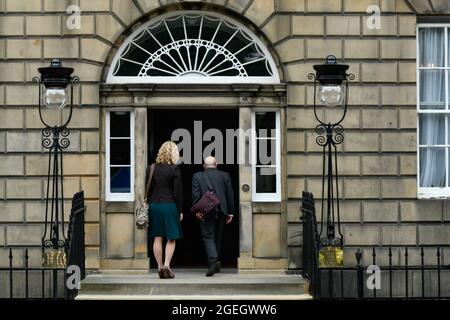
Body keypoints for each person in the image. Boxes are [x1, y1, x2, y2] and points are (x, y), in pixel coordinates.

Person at [146, 141, 183, 279]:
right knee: (171, 238)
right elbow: (178, 192)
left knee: (157, 237)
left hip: (155, 206)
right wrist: (180, 210)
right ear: (174, 153)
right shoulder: (175, 169)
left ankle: (159, 267)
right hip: (169, 206)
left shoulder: (151, 168)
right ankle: (167, 265)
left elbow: (147, 190)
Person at [192, 156, 234, 277]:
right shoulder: (225, 175)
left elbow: (195, 195)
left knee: (208, 236)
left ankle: (213, 262)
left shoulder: (197, 176)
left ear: (204, 166)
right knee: (218, 237)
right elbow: (229, 195)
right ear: (217, 164)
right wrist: (230, 212)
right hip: (222, 210)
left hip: (206, 211)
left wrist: (197, 211)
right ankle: (215, 264)